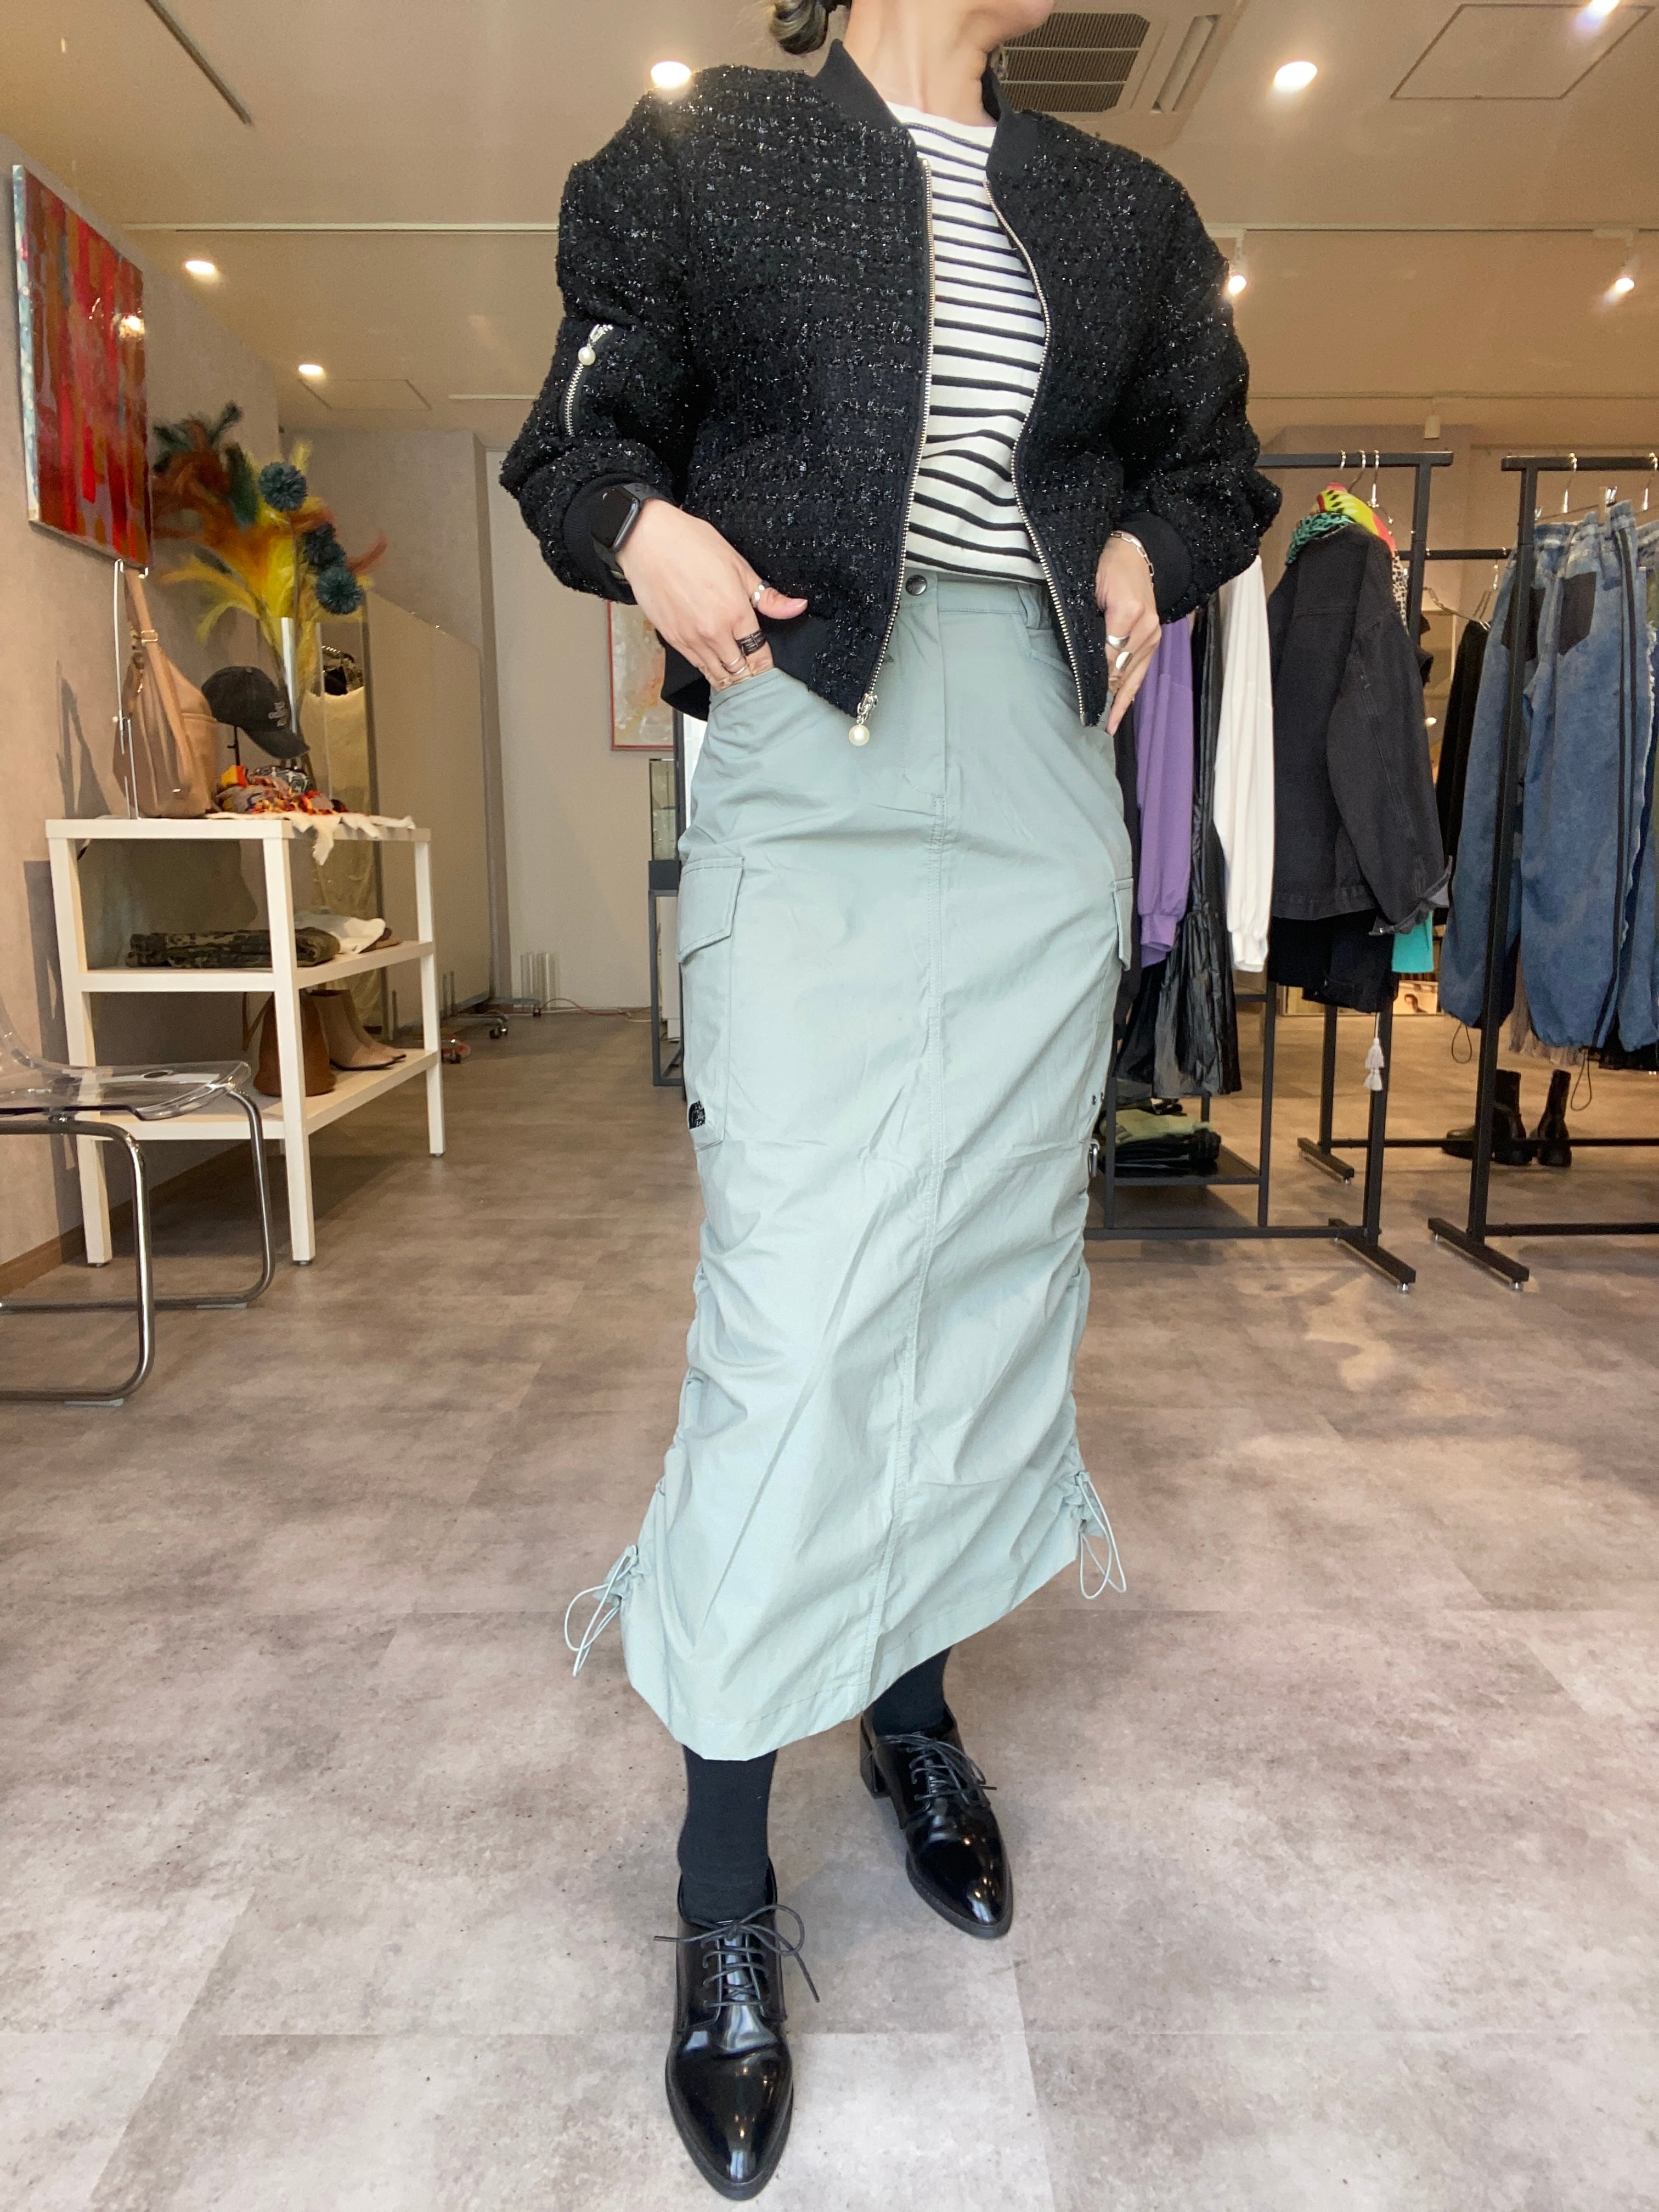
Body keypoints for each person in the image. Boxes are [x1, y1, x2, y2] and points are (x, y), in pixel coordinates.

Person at [503, 0, 1278, 2193]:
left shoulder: (1121, 208)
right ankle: (721, 1879)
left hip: (1030, 770)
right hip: (809, 743)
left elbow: (1215, 465)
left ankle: (914, 1712)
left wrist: (1141, 558)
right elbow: (573, 436)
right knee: (802, 1305)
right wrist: (640, 526)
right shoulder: (712, 155)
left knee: (980, 1277)